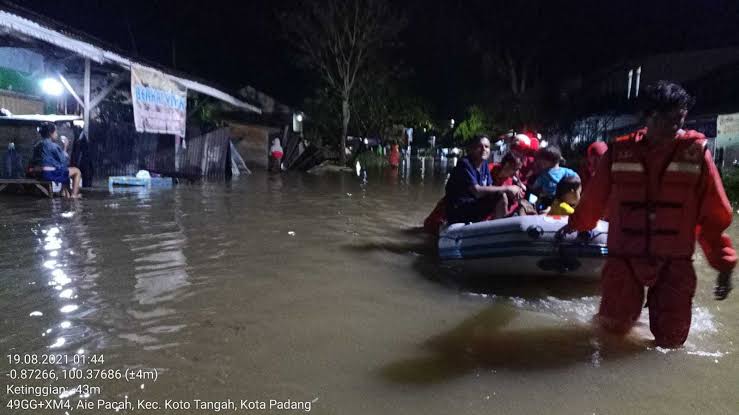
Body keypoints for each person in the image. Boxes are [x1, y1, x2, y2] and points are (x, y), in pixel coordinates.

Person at [558, 81, 735, 348]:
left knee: (672, 342)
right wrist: (574, 225)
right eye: (669, 119)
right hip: (624, 257)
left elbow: (715, 214)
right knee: (611, 331)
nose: (676, 125)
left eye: (681, 119)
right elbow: (593, 202)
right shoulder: (617, 152)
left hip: (675, 261)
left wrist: (724, 265)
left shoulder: (697, 154)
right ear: (648, 116)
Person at [445, 135, 524, 224]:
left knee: (500, 195)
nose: (484, 149)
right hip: (459, 210)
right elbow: (477, 191)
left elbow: (489, 188)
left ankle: (502, 224)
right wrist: (508, 188)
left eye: (486, 147)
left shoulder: (484, 164)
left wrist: (512, 193)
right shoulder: (464, 164)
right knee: (500, 194)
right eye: (480, 146)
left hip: (473, 205)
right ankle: (502, 226)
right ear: (472, 149)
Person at [28, 123, 81, 198]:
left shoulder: (37, 145)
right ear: (50, 133)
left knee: (64, 171)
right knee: (76, 171)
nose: (57, 134)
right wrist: (65, 147)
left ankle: (64, 193)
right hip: (50, 174)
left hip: (39, 173)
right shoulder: (54, 146)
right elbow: (64, 162)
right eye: (56, 132)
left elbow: (34, 160)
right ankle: (74, 195)